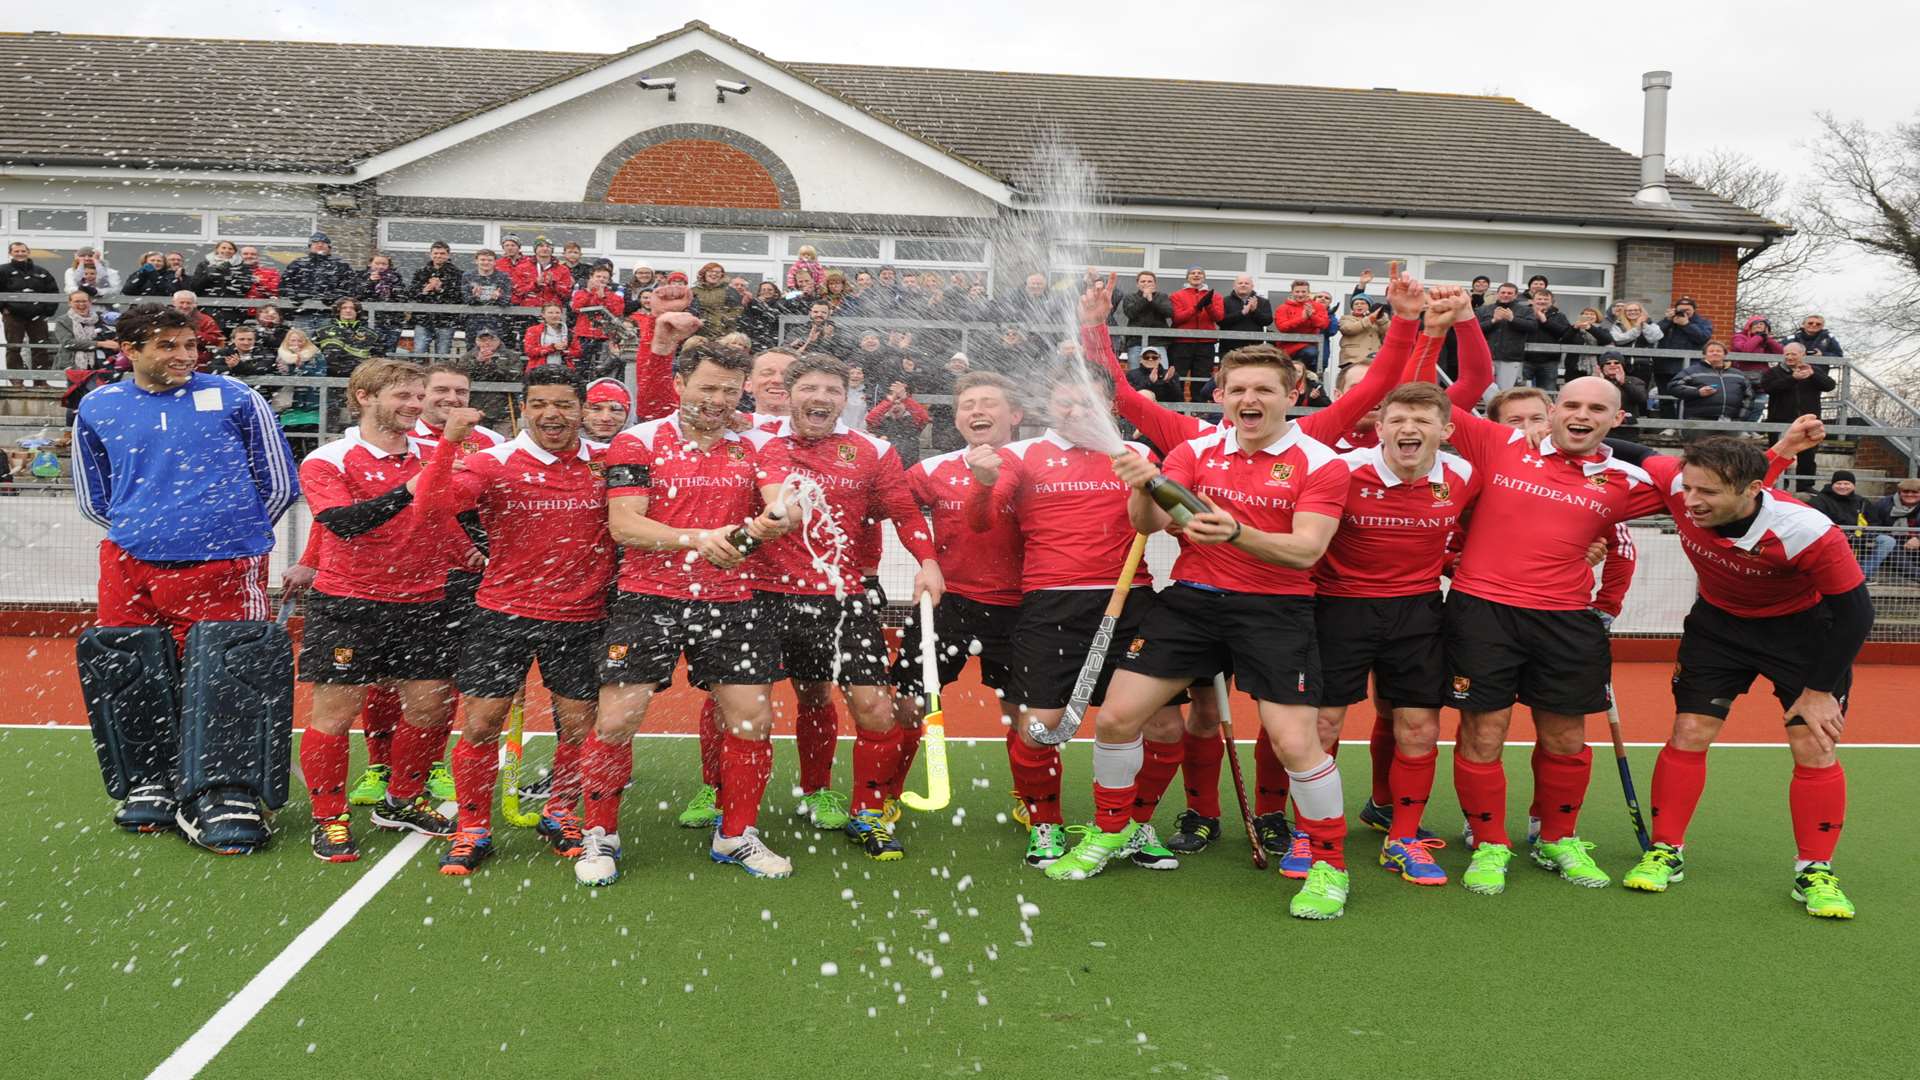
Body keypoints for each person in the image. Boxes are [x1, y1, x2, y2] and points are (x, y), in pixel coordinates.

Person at [1049, 339, 1352, 918]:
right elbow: (1151, 522)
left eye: (1264, 389)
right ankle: (1113, 831)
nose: (1249, 399)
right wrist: (1143, 483)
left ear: (1293, 395)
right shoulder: (1196, 449)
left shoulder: (1322, 463)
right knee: (1116, 717)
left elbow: (1306, 551)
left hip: (1275, 608)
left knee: (1295, 743)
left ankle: (1329, 867)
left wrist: (1236, 533)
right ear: (1219, 398)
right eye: (1237, 390)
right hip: (1192, 601)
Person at [1599, 432, 1869, 918]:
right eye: (1687, 489)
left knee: (1815, 743)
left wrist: (1820, 691)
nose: (1691, 501)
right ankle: (1666, 851)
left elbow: (1855, 615)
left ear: (1752, 488)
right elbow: (1633, 451)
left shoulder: (1807, 530)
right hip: (1719, 626)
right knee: (1690, 730)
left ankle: (1815, 870)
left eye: (1707, 493)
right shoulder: (1681, 486)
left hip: (1801, 632)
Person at [71, 304, 299, 847]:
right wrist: (145, 528)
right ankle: (155, 780)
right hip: (129, 560)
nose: (184, 356)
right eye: (168, 346)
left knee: (229, 671)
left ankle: (226, 789)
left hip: (224, 560)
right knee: (135, 664)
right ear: (130, 351)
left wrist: (224, 532)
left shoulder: (238, 398)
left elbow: (278, 484)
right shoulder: (98, 405)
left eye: (190, 346)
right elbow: (95, 495)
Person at [1442, 369, 1672, 895]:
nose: (1581, 416)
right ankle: (1489, 842)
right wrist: (1434, 330)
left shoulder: (1621, 481)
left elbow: (1708, 486)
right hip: (1483, 611)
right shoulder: (1499, 444)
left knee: (1566, 738)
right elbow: (1431, 398)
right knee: (1484, 732)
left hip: (1567, 618)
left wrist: (1780, 453)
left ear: (1617, 421)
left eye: (1597, 410)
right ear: (1553, 410)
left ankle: (1557, 837)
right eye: (1572, 405)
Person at [578, 344, 798, 884]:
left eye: (729, 389)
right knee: (616, 720)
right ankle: (600, 837)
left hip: (731, 600)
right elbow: (624, 525)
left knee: (751, 720)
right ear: (679, 384)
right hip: (648, 596)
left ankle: (736, 833)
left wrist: (772, 520)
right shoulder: (639, 440)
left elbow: (780, 506)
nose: (718, 400)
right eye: (707, 387)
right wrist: (696, 539)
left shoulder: (759, 445)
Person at [965, 357, 1180, 872]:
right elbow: (982, 522)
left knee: (1167, 726)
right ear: (1048, 403)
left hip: (1131, 598)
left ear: (1108, 405)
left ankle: (1135, 823)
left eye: (1087, 398)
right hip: (1051, 602)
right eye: (1065, 398)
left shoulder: (1136, 454)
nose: (1075, 407)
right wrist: (980, 481)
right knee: (1039, 725)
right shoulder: (1022, 455)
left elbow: (1174, 521)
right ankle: (1045, 824)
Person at [412, 370, 615, 874]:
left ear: (582, 410)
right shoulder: (492, 461)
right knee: (481, 725)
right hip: (502, 614)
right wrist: (450, 444)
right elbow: (431, 506)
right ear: (524, 408)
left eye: (565, 404)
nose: (553, 415)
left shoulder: (607, 463)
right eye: (541, 404)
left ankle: (562, 811)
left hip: (581, 617)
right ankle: (473, 828)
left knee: (579, 726)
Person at [750, 354, 944, 859]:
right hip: (769, 595)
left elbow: (904, 511)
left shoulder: (872, 452)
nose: (820, 398)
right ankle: (744, 808)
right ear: (790, 393)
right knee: (753, 706)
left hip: (846, 596)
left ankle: (867, 812)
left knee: (874, 709)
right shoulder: (762, 445)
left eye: (832, 391)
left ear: (846, 399)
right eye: (810, 388)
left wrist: (927, 561)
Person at [294, 359, 467, 862]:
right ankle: (329, 818)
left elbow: (449, 517)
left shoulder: (437, 452)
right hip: (349, 602)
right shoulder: (329, 458)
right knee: (334, 714)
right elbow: (344, 523)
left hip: (426, 600)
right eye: (403, 397)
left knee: (431, 705)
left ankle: (403, 800)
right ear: (365, 397)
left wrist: (474, 555)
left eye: (419, 397)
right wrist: (408, 489)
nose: (415, 406)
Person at [887, 372, 1028, 824]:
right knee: (907, 704)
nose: (978, 411)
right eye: (968, 404)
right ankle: (884, 797)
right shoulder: (932, 469)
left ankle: (1032, 799)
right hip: (947, 604)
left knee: (1024, 713)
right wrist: (926, 559)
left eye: (990, 402)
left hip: (1019, 608)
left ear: (1015, 415)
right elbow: (893, 507)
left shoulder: (1034, 465)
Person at [1759, 344, 1836, 491]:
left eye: (1793, 354)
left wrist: (1813, 374)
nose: (1789, 357)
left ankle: (1805, 487)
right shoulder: (1774, 372)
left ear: (1802, 354)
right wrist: (1792, 378)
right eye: (1787, 354)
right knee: (1779, 453)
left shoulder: (1813, 371)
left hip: (1808, 421)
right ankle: (1776, 485)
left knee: (1808, 456)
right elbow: (1768, 387)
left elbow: (1830, 386)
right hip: (1780, 421)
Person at [2, 241, 59, 374]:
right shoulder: (3, 270)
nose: (20, 254)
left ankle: (41, 381)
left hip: (37, 315)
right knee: (14, 347)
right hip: (13, 315)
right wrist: (4, 308)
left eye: (23, 251)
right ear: (10, 253)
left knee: (40, 347)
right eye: (16, 251)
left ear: (28, 252)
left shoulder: (41, 271)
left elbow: (52, 291)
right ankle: (16, 380)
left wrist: (48, 310)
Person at [1167, 267, 1224, 399]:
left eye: (1200, 273)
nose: (1196, 275)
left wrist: (1208, 305)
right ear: (1187, 277)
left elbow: (1219, 318)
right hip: (1182, 342)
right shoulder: (1177, 295)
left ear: (1204, 277)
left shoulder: (1215, 296)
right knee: (1178, 377)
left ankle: (1198, 410)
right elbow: (1177, 318)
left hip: (1206, 343)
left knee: (1202, 377)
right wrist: (1196, 308)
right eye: (1193, 273)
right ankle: (1177, 409)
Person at [1667, 341, 1754, 423]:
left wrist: (1741, 418)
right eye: (1711, 351)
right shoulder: (1691, 371)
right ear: (1704, 355)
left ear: (1725, 355)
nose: (1715, 353)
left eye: (1719, 351)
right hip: (1697, 421)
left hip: (1731, 421)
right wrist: (1698, 392)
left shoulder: (1738, 374)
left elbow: (1749, 396)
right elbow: (1673, 386)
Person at [280, 232, 355, 328]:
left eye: (323, 243)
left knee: (330, 341)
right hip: (302, 314)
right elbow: (285, 284)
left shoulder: (341, 265)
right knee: (301, 341)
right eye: (316, 242)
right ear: (310, 246)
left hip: (330, 314)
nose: (320, 245)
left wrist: (333, 299)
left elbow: (349, 287)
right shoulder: (298, 264)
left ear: (329, 247)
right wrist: (296, 298)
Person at [1476, 282, 1539, 390]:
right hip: (1486, 356)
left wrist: (1512, 319)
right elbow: (1475, 330)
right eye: (1503, 292)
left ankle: (1499, 407)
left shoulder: (1525, 310)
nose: (1506, 295)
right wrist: (1493, 320)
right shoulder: (1483, 309)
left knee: (1504, 391)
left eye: (1510, 293)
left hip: (1510, 357)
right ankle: (1491, 407)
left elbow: (1532, 327)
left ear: (1515, 295)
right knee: (1485, 389)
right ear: (1497, 294)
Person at [408, 242, 463, 358]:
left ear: (448, 255)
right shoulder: (421, 272)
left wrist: (441, 290)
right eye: (436, 253)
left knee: (442, 355)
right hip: (423, 319)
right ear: (430, 254)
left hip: (446, 320)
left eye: (442, 253)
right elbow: (411, 294)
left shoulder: (457, 273)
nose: (439, 256)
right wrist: (425, 290)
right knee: (419, 353)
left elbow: (459, 296)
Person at [569, 265, 625, 370]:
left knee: (603, 368)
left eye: (604, 277)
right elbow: (576, 308)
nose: (601, 279)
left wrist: (602, 297)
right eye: (598, 276)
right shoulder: (581, 293)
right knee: (581, 366)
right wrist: (590, 293)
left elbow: (617, 312)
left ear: (609, 280)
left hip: (605, 336)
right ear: (591, 278)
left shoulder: (615, 296)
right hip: (584, 335)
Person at [1866, 479, 1920, 580]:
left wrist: (1918, 538)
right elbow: (1873, 524)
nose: (1909, 495)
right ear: (1900, 492)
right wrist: (1889, 538)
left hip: (1915, 545)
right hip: (1893, 543)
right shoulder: (1884, 504)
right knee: (1890, 545)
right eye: (1906, 491)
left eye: (1914, 492)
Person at [51, 289, 120, 368]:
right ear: (70, 303)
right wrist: (100, 344)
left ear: (90, 303)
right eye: (77, 301)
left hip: (98, 364)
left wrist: (114, 344)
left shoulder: (100, 318)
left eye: (84, 301)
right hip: (70, 364)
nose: (81, 304)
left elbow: (111, 336)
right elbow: (68, 343)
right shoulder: (62, 321)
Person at [314, 297, 381, 377]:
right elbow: (310, 354)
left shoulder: (371, 335)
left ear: (357, 311)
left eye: (352, 308)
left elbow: (379, 361)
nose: (348, 311)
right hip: (328, 380)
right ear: (338, 311)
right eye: (344, 308)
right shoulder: (321, 332)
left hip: (360, 380)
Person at [353, 252, 407, 353]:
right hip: (367, 320)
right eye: (377, 263)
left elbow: (402, 298)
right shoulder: (360, 276)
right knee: (368, 351)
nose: (380, 267)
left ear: (389, 265)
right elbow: (356, 296)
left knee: (389, 352)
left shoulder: (396, 278)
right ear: (370, 264)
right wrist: (370, 282)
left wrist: (392, 286)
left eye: (384, 264)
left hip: (392, 321)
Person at [1272, 279, 1330, 367]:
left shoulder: (1317, 307)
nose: (1300, 294)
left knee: (1311, 353)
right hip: (1286, 348)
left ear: (1309, 292)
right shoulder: (1282, 308)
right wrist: (1302, 318)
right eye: (1297, 291)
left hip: (1308, 348)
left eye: (1303, 291)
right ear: (1292, 292)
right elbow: (1282, 327)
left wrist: (1312, 315)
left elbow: (1324, 324)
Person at [462, 248, 514, 342]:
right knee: (474, 350)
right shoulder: (468, 276)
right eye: (482, 260)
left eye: (489, 260)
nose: (486, 262)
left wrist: (498, 298)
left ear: (495, 262)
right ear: (476, 261)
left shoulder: (503, 276)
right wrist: (475, 297)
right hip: (474, 320)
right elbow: (466, 299)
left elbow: (507, 300)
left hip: (497, 320)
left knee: (497, 351)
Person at [1119, 270, 1173, 355]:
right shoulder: (1130, 297)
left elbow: (1168, 313)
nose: (1146, 283)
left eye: (1149, 281)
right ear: (1137, 284)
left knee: (1161, 368)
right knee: (1135, 368)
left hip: (1158, 342)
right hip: (1136, 342)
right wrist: (1144, 298)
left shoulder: (1162, 296)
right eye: (1143, 281)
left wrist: (1152, 301)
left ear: (1155, 284)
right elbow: (1130, 313)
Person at [169, 290, 225, 369]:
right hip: (170, 361)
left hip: (198, 364)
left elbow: (216, 341)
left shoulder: (206, 320)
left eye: (188, 303)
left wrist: (193, 333)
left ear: (195, 304)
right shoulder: (165, 319)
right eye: (181, 302)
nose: (185, 306)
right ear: (174, 303)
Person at [1597, 352, 1650, 425]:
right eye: (1608, 363)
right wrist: (1600, 383)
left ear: (1622, 366)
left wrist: (1624, 383)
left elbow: (1641, 398)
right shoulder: (1594, 382)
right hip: (1601, 425)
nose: (1612, 365)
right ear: (1602, 367)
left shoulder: (1635, 381)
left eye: (1616, 362)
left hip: (1626, 427)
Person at [1335, 295, 1386, 368]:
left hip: (1374, 359)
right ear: (1352, 308)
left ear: (1369, 307)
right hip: (1353, 359)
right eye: (1356, 304)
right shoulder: (1346, 318)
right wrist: (1369, 319)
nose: (1359, 305)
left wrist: (1382, 319)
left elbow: (1388, 333)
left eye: (1363, 303)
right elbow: (1348, 329)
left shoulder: (1377, 321)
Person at [583, 376, 631, 442]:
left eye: (615, 410)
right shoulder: (566, 447)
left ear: (628, 416)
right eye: (596, 409)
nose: (605, 418)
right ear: (581, 412)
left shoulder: (643, 447)